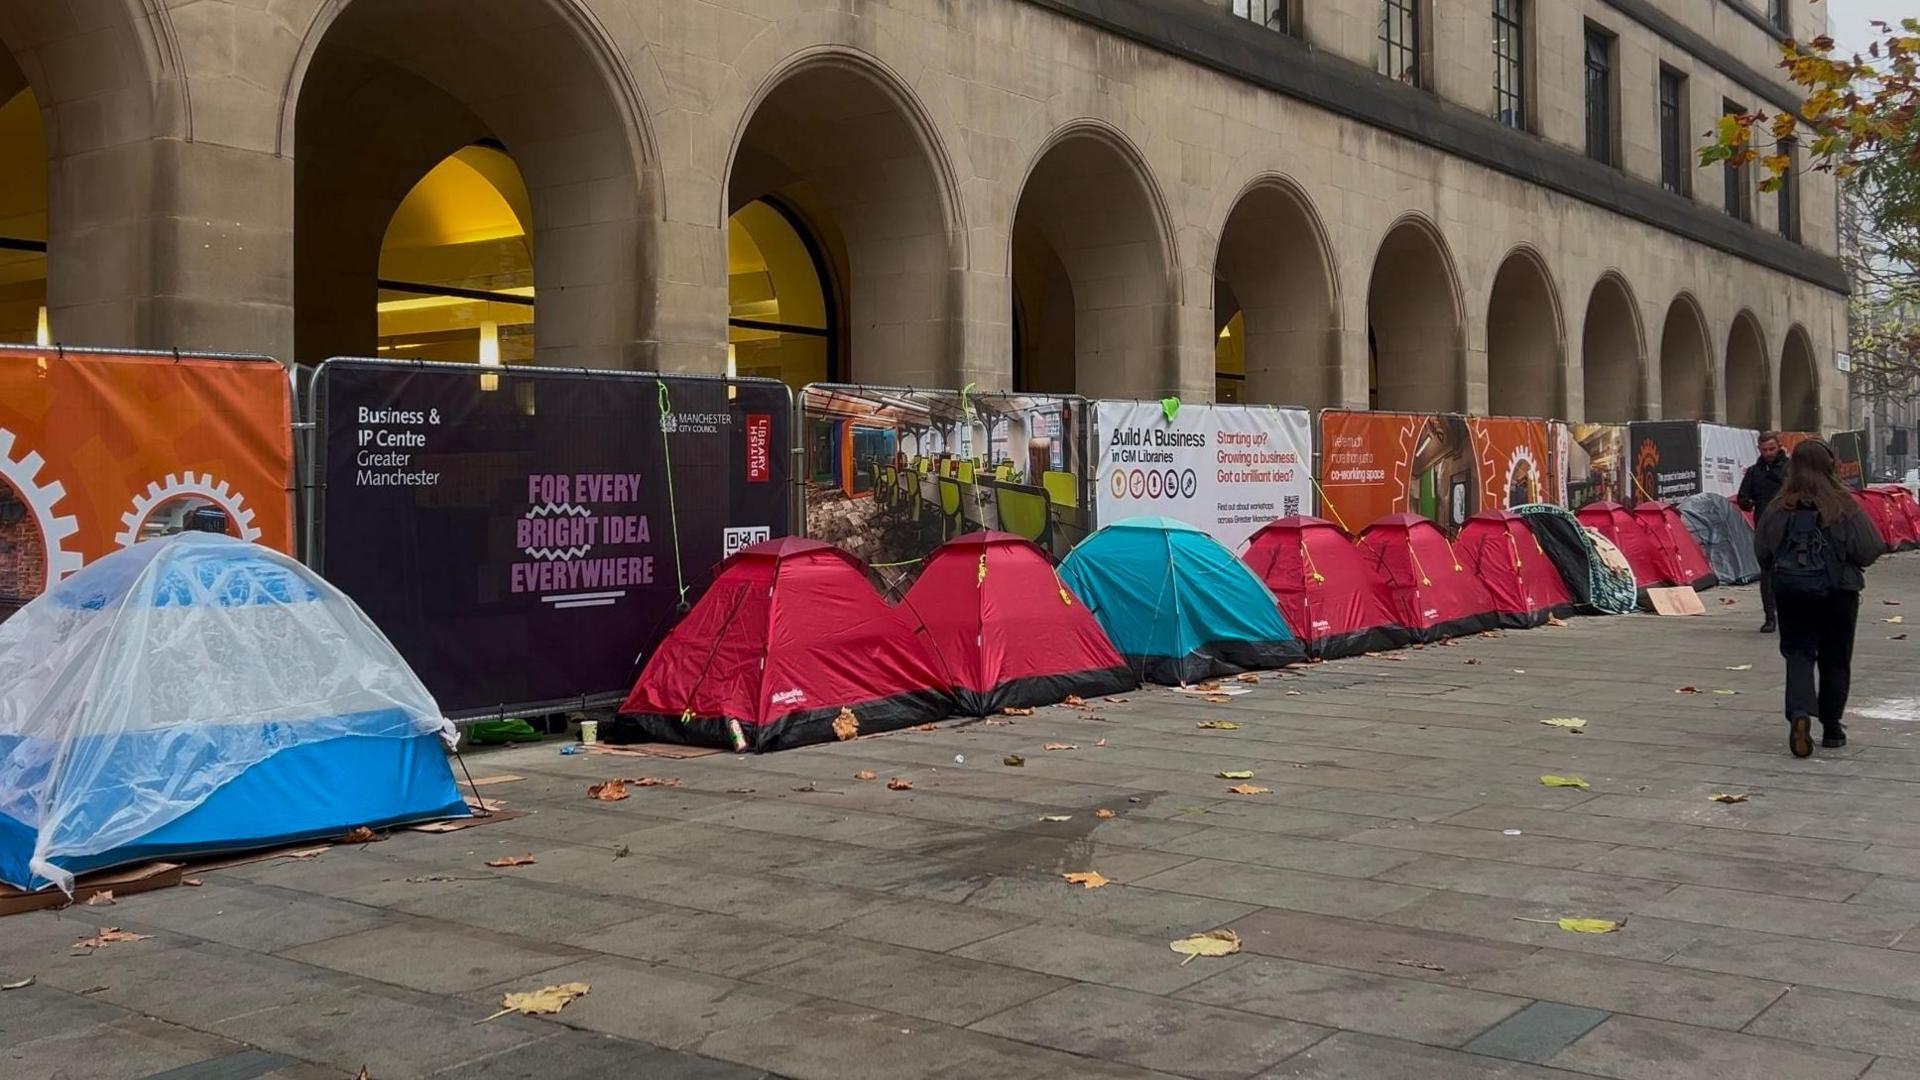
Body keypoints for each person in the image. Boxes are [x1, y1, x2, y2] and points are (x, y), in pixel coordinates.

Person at [1754, 439, 1884, 758]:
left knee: (1798, 654)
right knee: (1835, 659)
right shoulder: (1844, 504)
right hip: (1839, 592)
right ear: (1830, 464)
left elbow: (1762, 551)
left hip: (1793, 592)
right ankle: (1832, 728)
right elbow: (1870, 548)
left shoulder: (1779, 506)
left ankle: (1799, 713)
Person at [1738, 432, 1789, 632]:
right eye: (1764, 450)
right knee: (1767, 574)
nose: (1768, 453)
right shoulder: (1754, 472)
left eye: (1772, 449)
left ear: (1779, 447)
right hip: (1764, 530)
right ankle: (1770, 616)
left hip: (1787, 529)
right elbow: (1743, 496)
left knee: (1787, 573)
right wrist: (1746, 502)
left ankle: (1788, 614)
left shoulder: (1790, 469)